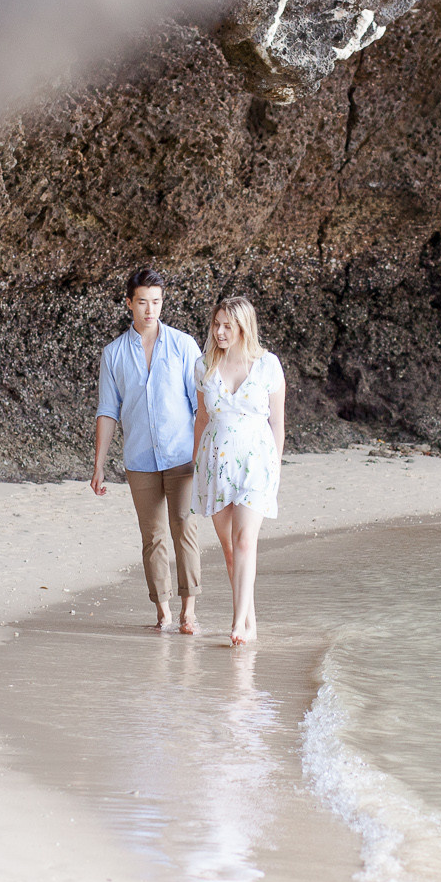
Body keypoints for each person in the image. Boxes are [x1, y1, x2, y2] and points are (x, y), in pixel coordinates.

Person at [93, 266, 205, 634]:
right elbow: (108, 411)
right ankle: (163, 611)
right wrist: (98, 465)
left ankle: (189, 610)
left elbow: (198, 405)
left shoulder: (184, 345)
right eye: (142, 302)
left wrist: (203, 454)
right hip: (140, 460)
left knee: (183, 527)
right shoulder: (113, 354)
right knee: (152, 537)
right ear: (129, 303)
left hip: (181, 457)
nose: (150, 310)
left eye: (156, 302)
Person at [190, 296, 285, 646]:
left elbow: (278, 423)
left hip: (257, 464)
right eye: (216, 324)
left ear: (245, 327)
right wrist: (195, 464)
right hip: (215, 464)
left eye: (228, 325)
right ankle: (250, 623)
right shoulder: (204, 367)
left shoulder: (268, 366)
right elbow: (201, 419)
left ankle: (237, 624)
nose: (219, 331)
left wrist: (275, 467)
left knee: (246, 541)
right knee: (231, 550)